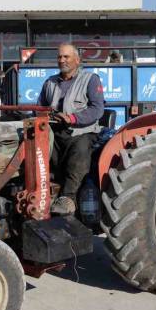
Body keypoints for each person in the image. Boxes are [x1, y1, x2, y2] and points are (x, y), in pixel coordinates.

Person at [37, 43, 104, 215]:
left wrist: (72, 118)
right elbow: (39, 108)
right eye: (59, 57)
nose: (62, 60)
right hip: (56, 131)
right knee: (37, 148)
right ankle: (42, 191)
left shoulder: (90, 79)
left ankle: (68, 200)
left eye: (66, 56)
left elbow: (97, 109)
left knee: (79, 150)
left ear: (77, 59)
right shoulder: (50, 83)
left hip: (82, 131)